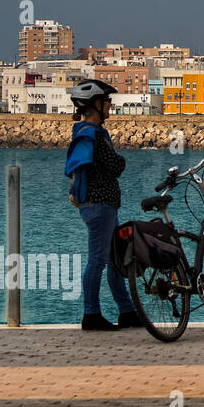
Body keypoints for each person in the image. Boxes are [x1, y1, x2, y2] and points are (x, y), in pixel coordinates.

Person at [64, 80, 141, 331]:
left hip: (100, 205)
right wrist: (119, 160)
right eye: (107, 101)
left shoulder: (84, 132)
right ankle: (91, 314)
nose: (111, 105)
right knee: (98, 260)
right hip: (100, 205)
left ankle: (127, 311)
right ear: (96, 104)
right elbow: (116, 165)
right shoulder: (94, 134)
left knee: (114, 258)